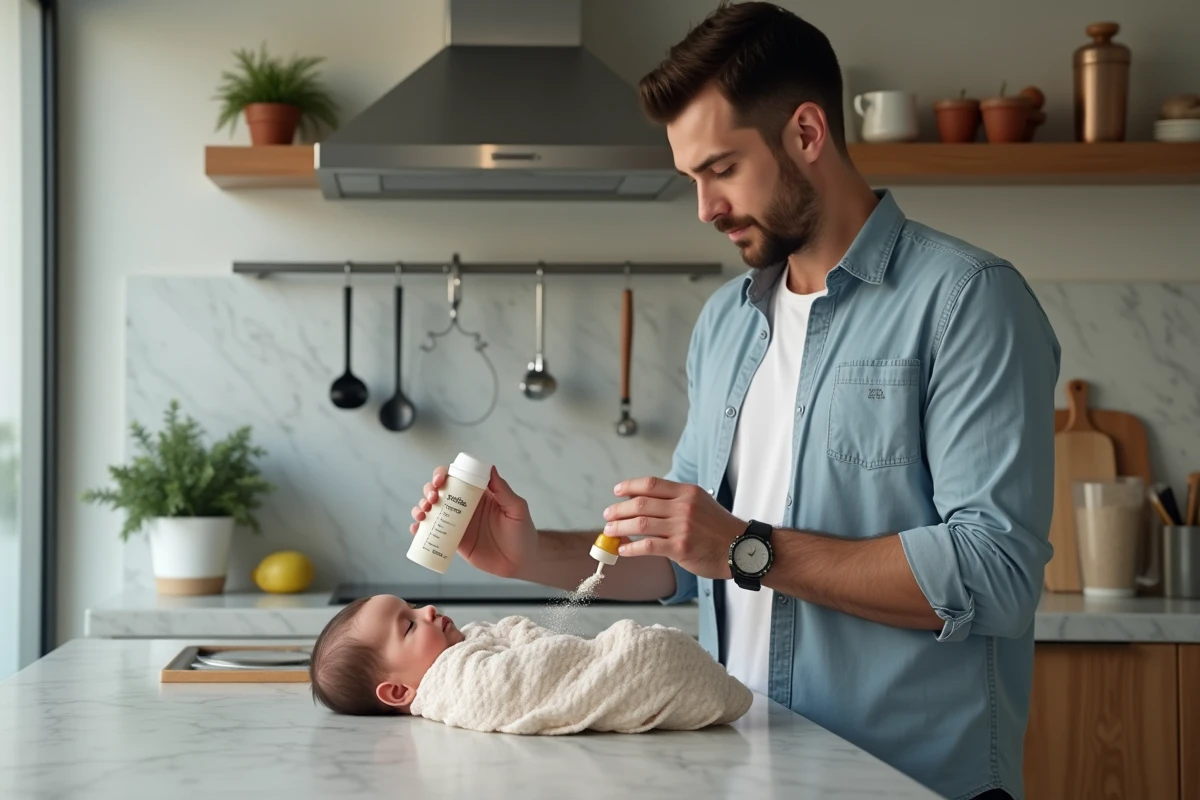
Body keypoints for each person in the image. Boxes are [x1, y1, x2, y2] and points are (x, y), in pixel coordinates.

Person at [409, 2, 1058, 797]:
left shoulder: (967, 302)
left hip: (910, 781)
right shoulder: (727, 324)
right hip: (745, 772)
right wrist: (528, 553)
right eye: (691, 178)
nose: (704, 208)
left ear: (807, 134)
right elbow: (687, 562)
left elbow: (994, 573)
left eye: (721, 169)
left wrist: (748, 549)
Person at [308, 593, 752, 734]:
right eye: (408, 626)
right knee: (651, 655)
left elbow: (536, 642)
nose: (426, 610)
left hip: (609, 665)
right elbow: (516, 681)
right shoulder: (453, 685)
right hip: (650, 670)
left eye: (412, 606)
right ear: (399, 691)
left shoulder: (470, 643)